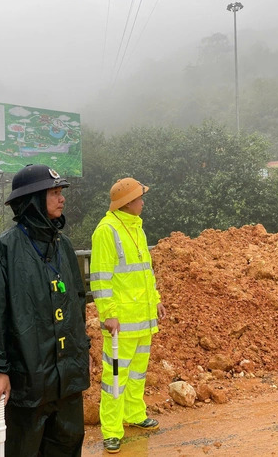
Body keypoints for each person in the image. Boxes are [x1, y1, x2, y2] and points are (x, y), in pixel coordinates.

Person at [0, 164, 90, 456]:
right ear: (33, 201)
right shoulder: (2, 251)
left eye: (61, 191)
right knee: (25, 449)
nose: (62, 198)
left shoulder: (64, 247)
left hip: (67, 380)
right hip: (29, 380)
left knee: (67, 443)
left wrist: (81, 351)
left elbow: (77, 303)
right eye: (54, 192)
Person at [91, 177, 164, 453]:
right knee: (115, 379)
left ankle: (134, 414)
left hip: (143, 320)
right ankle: (111, 430)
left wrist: (155, 301)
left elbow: (145, 272)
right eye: (139, 197)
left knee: (136, 373)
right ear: (127, 202)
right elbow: (100, 278)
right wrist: (108, 314)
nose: (143, 201)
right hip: (120, 324)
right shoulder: (106, 231)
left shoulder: (137, 229)